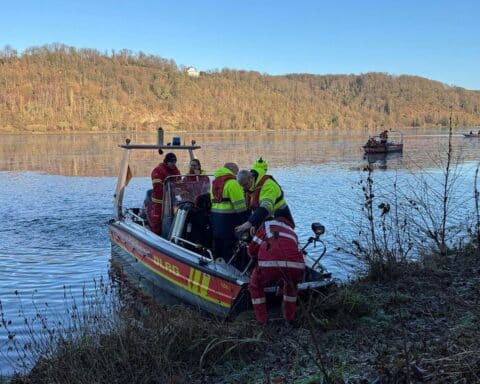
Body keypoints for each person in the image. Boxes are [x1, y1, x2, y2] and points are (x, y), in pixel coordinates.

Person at [247, 216, 305, 324]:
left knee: (255, 285)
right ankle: (289, 318)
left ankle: (262, 320)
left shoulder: (266, 225)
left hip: (270, 265)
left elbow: (252, 250)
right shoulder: (292, 232)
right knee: (291, 286)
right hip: (297, 266)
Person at [235, 158, 294, 236]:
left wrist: (250, 223)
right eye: (242, 186)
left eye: (245, 185)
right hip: (265, 218)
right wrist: (254, 223)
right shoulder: (251, 186)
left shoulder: (268, 185)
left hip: (280, 217)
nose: (244, 188)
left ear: (250, 178)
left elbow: (266, 206)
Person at [210, 162, 248, 260]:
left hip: (215, 220)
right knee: (229, 249)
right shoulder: (232, 183)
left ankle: (216, 265)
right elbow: (240, 207)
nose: (237, 175)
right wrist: (247, 222)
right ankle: (228, 270)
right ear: (232, 170)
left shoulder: (214, 183)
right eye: (236, 172)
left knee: (218, 246)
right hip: (229, 222)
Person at [148, 152, 181, 234]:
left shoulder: (176, 171)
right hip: (159, 200)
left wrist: (181, 190)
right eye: (171, 162)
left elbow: (179, 183)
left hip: (172, 200)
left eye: (174, 162)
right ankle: (156, 235)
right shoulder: (158, 171)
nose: (173, 164)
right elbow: (157, 186)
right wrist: (171, 190)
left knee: (176, 217)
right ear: (166, 162)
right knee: (157, 219)